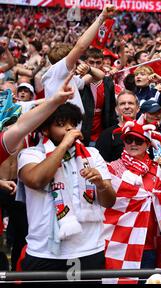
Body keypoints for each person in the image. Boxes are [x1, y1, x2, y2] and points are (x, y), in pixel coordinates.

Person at [17, 102, 116, 271]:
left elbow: (109, 201)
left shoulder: (91, 154)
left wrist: (101, 184)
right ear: (45, 130)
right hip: (44, 253)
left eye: (73, 124)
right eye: (61, 125)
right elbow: (36, 180)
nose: (70, 129)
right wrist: (64, 145)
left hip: (89, 250)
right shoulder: (31, 154)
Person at [103, 117, 161, 278]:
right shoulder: (112, 168)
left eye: (139, 141)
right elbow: (108, 204)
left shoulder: (157, 170)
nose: (133, 144)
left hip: (148, 244)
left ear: (148, 144)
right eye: (129, 140)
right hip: (118, 241)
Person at [0, 73, 75, 166]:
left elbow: (21, 126)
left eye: (11, 93)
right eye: (2, 93)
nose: (7, 97)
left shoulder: (22, 110)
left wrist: (56, 100)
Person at [95, 90, 140, 162]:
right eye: (122, 104)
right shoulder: (107, 134)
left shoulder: (146, 131)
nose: (127, 107)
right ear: (116, 109)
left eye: (130, 103)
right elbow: (100, 163)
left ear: (138, 108)